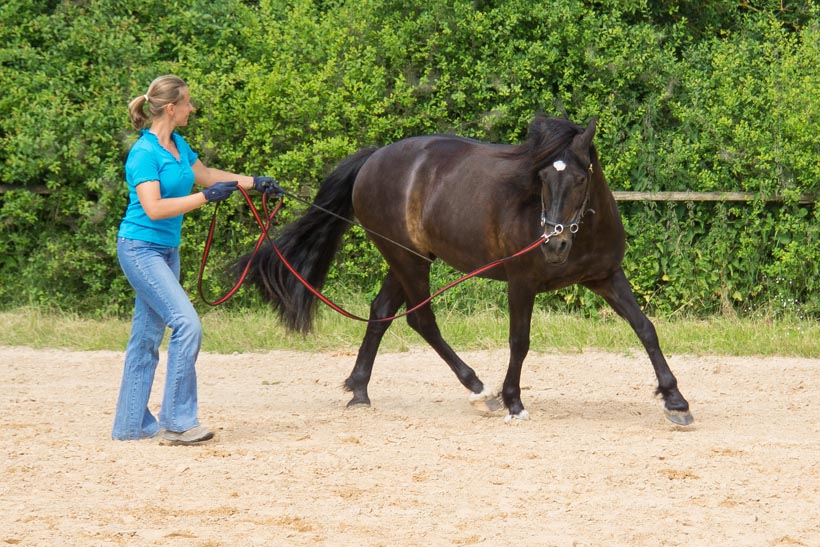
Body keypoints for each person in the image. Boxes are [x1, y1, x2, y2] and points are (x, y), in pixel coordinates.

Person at [112, 74, 282, 444]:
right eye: (188, 102)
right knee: (187, 324)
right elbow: (154, 208)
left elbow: (204, 175)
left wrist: (252, 181)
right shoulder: (144, 154)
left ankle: (129, 427)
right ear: (171, 108)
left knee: (146, 337)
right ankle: (177, 421)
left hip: (165, 251)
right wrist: (207, 198)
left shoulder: (176, 145)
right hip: (140, 249)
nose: (193, 108)